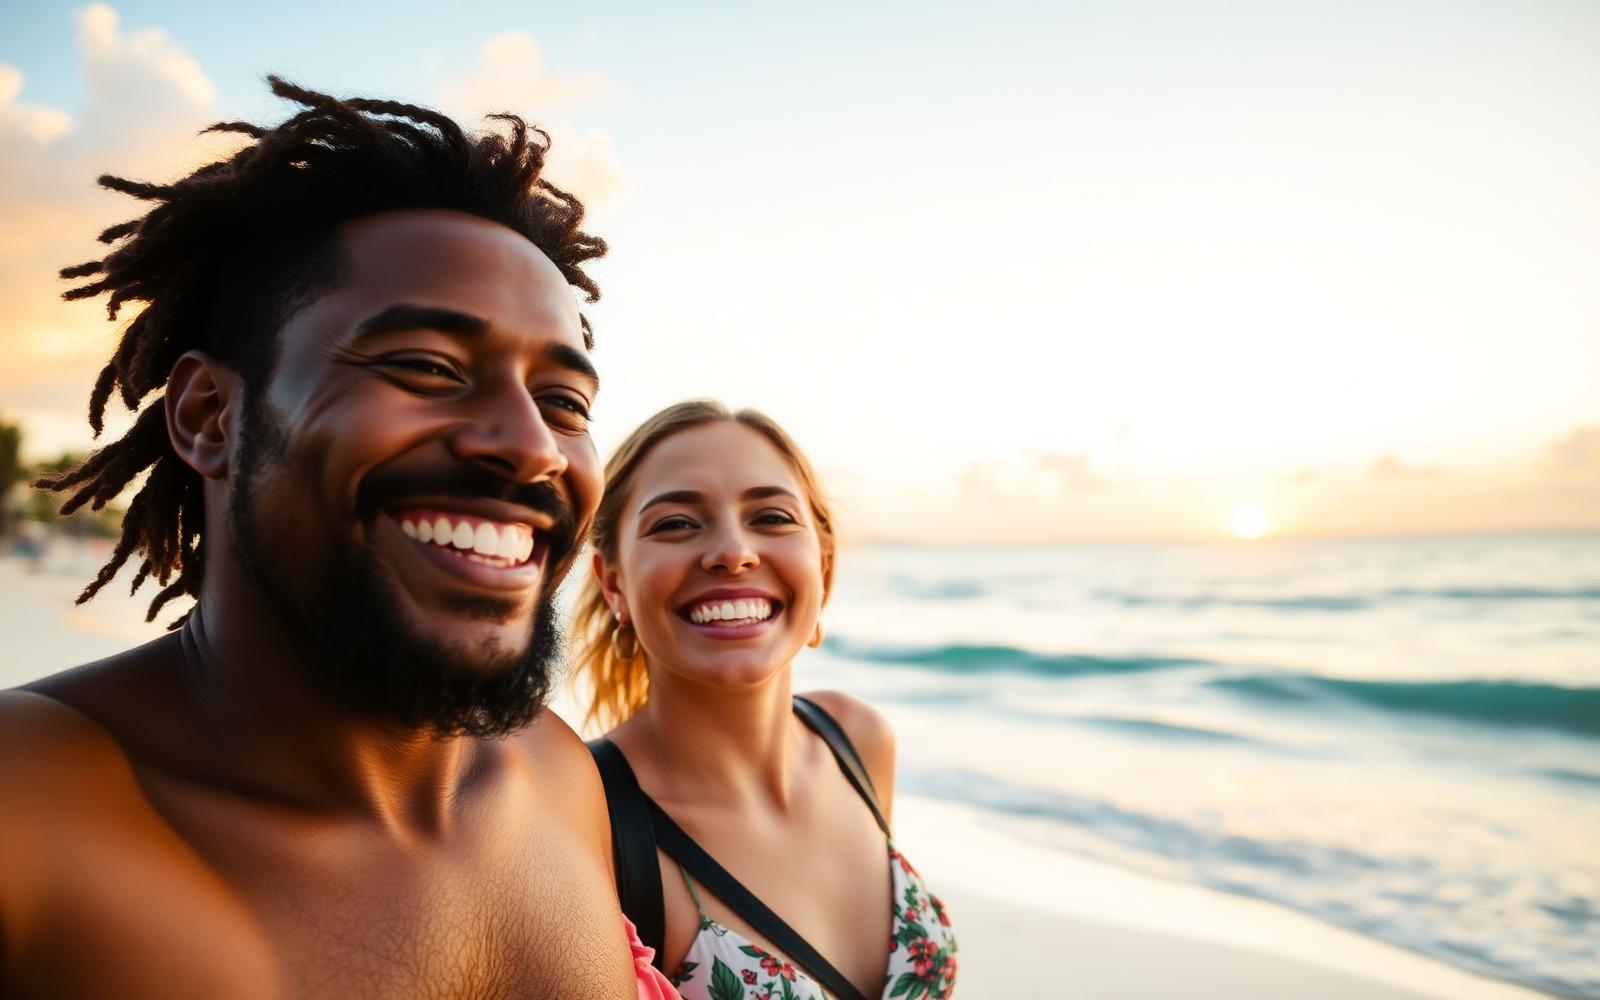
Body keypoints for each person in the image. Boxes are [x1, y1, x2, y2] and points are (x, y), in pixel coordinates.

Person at [0, 78, 675, 999]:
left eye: (563, 402)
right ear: (209, 416)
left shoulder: (558, 771)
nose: (528, 446)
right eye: (426, 368)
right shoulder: (27, 812)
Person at [573, 401, 958, 1000]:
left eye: (772, 517)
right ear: (613, 581)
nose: (733, 551)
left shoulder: (856, 740)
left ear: (823, 566)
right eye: (675, 523)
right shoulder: (585, 815)